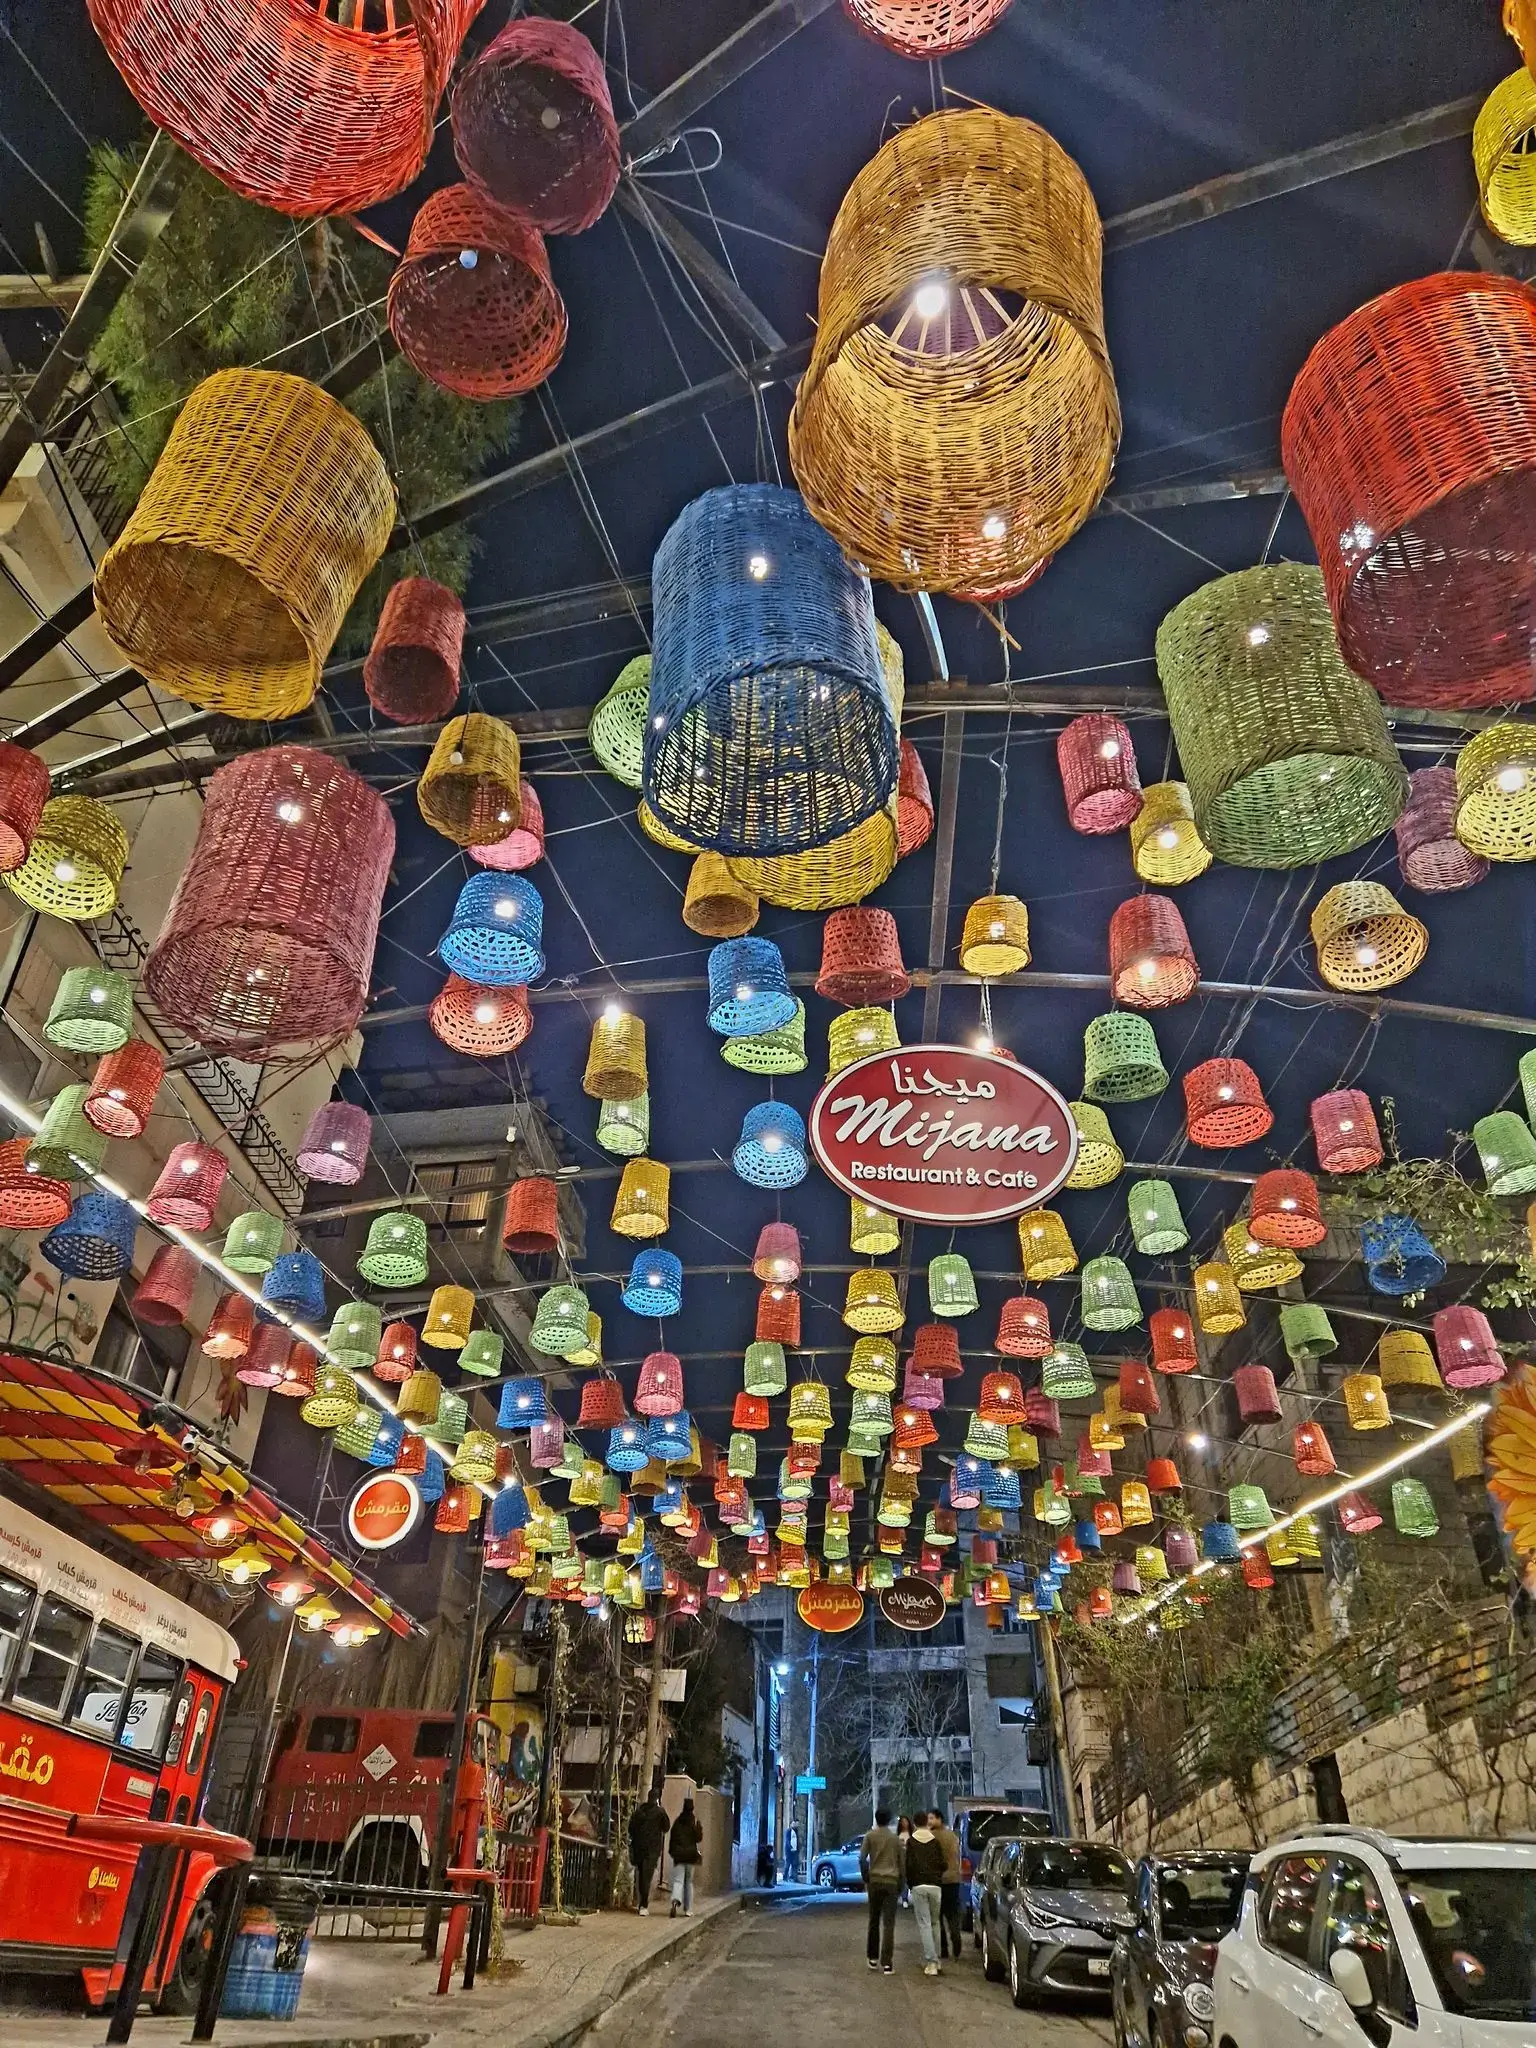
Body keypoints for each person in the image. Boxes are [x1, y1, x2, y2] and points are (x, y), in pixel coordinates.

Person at [859, 1807, 903, 1974]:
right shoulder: (895, 1839)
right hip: (891, 1882)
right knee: (889, 1923)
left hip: (875, 1881)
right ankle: (887, 1963)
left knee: (873, 1920)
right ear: (890, 1819)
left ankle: (872, 1957)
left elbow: (862, 1858)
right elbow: (901, 1862)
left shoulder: (870, 1836)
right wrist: (902, 1883)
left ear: (876, 1819)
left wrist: (866, 1876)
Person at [904, 1815, 947, 1976]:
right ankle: (938, 1959)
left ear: (915, 1824)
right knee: (935, 1923)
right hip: (936, 1886)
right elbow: (944, 1864)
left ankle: (931, 1961)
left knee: (925, 1924)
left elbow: (908, 1866)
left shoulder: (912, 1842)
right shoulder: (935, 1842)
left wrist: (910, 1884)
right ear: (926, 1823)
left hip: (919, 1886)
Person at [627, 1789, 667, 1915]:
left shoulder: (639, 1811)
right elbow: (666, 1827)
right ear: (657, 1799)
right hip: (652, 1849)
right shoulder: (660, 1812)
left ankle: (641, 1903)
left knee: (641, 1875)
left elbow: (631, 1828)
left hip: (639, 1847)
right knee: (647, 1876)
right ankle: (643, 1905)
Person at [932, 1805, 963, 1961]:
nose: (929, 1821)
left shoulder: (931, 1836)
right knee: (952, 1914)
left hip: (937, 1880)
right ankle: (956, 1939)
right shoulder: (952, 1836)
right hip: (953, 1879)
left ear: (939, 1819)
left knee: (937, 1916)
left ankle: (943, 1948)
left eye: (932, 1818)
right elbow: (957, 1854)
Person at [668, 1796, 703, 1917]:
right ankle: (688, 1909)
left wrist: (672, 1852)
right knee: (689, 1882)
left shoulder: (678, 1822)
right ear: (692, 1808)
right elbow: (699, 1838)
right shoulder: (694, 1821)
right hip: (690, 1856)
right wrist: (698, 1827)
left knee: (678, 1880)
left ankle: (675, 1901)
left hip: (679, 1856)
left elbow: (672, 1838)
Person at [895, 1815, 914, 1906]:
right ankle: (904, 1898)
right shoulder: (898, 1835)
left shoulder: (912, 1834)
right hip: (901, 1860)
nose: (904, 1824)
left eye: (905, 1821)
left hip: (911, 1859)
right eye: (902, 1822)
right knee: (903, 1879)